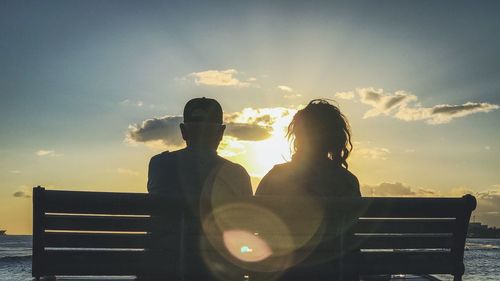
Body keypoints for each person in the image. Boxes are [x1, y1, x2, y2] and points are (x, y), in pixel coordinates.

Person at [145, 97, 253, 280]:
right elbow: (248, 228)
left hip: (163, 269)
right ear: (221, 132)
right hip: (219, 273)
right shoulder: (237, 174)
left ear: (183, 131)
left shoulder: (159, 164)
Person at [255, 99, 360, 280]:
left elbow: (256, 224)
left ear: (298, 135)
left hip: (285, 274)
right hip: (334, 273)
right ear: (336, 138)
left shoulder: (275, 177)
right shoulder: (347, 182)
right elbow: (351, 234)